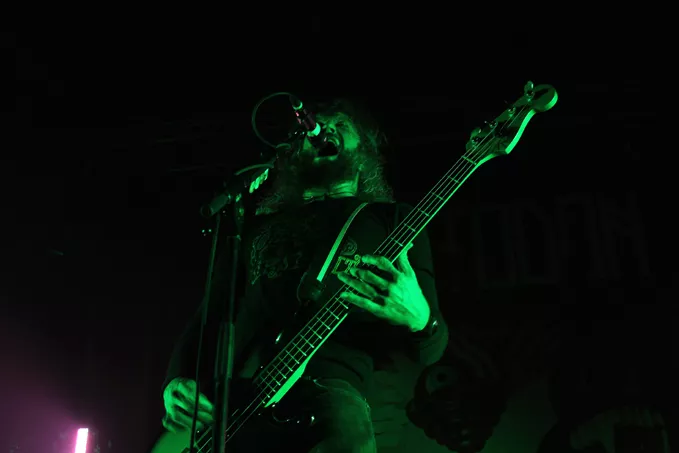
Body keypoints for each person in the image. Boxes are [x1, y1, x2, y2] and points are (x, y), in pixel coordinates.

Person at [160, 98, 449, 452]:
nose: (324, 130)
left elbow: (432, 349)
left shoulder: (390, 219)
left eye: (341, 126)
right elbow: (210, 313)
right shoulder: (253, 227)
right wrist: (176, 379)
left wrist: (421, 319)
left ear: (364, 153)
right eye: (316, 125)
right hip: (236, 403)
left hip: (330, 391)